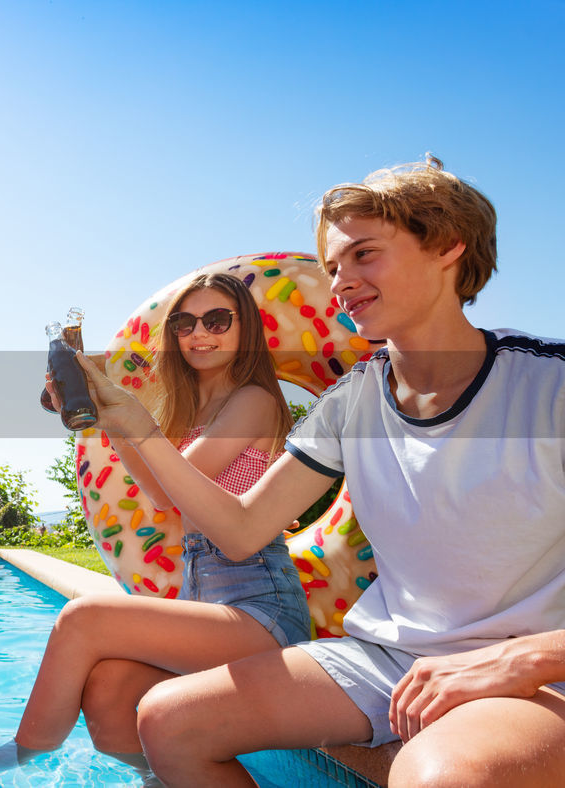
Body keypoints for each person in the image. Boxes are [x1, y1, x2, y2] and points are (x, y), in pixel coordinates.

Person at [80, 157, 565, 786]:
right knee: (169, 721)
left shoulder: (548, 385)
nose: (342, 282)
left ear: (448, 247)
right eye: (334, 267)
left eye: (365, 255)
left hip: (532, 671)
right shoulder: (351, 402)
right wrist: (132, 424)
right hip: (385, 659)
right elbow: (241, 530)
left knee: (440, 776)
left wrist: (526, 657)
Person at [0, 273, 309, 787]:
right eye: (186, 323)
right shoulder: (194, 410)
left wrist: (126, 416)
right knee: (108, 694)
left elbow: (179, 483)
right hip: (207, 606)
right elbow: (161, 493)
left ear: (244, 330)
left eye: (217, 320)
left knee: (82, 620)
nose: (199, 333)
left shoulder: (253, 399)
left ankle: (6, 759)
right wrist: (106, 418)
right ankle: (164, 776)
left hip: (260, 606)